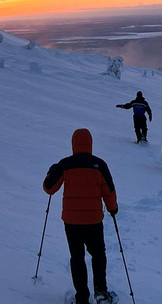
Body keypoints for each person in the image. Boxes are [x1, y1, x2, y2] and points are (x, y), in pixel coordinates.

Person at [43, 128, 118, 304]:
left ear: (73, 144)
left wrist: (51, 171)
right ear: (90, 143)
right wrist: (112, 209)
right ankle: (101, 293)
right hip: (93, 221)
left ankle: (82, 298)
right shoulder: (99, 164)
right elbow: (109, 190)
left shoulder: (65, 164)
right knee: (98, 255)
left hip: (71, 221)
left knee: (77, 258)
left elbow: (49, 188)